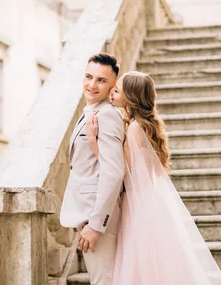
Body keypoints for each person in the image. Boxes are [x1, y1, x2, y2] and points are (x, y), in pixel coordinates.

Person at [87, 71, 221, 285]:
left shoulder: (135, 129)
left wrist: (94, 143)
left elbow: (120, 172)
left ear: (131, 97)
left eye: (118, 90)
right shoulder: (142, 126)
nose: (112, 92)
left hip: (137, 205)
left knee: (143, 267)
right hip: (149, 201)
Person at [59, 53, 125, 285]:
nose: (92, 85)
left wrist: (96, 225)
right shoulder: (91, 111)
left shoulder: (107, 115)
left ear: (112, 87)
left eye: (101, 80)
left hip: (98, 219)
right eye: (88, 77)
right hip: (87, 213)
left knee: (103, 281)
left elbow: (113, 172)